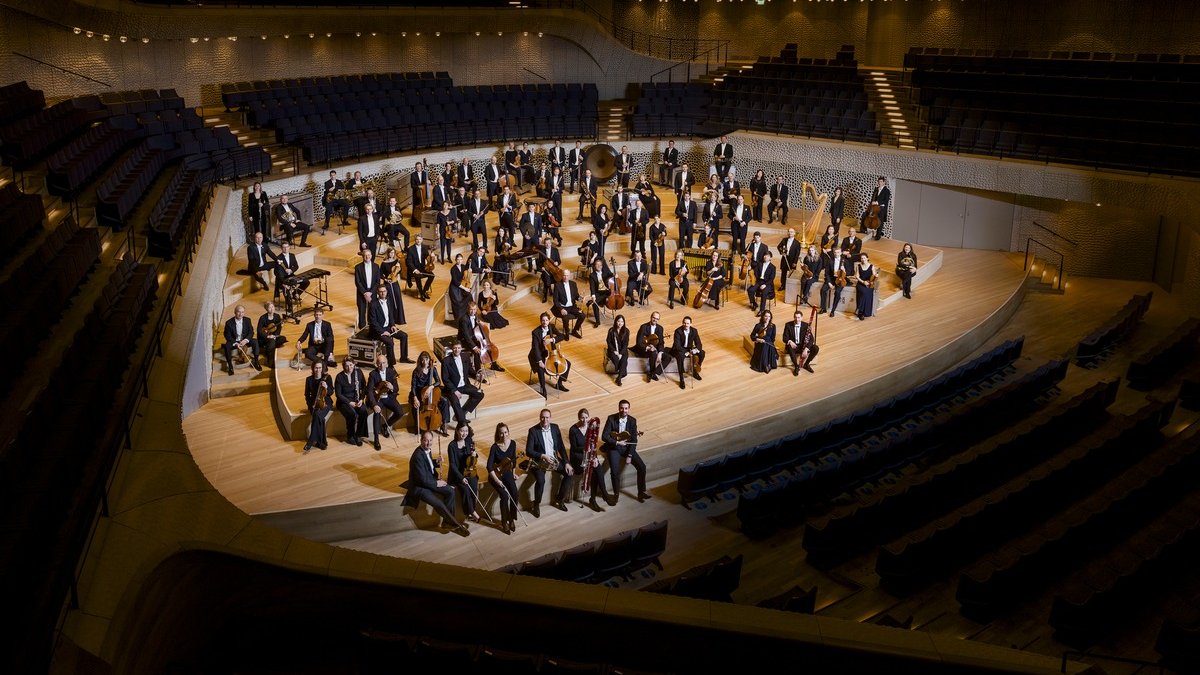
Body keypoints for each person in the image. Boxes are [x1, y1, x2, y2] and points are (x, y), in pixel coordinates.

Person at [402, 431, 470, 536]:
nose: (428, 443)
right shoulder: (417, 457)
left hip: (429, 480)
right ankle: (457, 525)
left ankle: (447, 523)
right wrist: (436, 484)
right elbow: (422, 479)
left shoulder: (426, 450)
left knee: (450, 491)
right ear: (421, 441)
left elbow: (427, 464)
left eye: (430, 440)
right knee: (439, 504)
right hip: (420, 487)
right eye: (425, 440)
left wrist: (436, 462)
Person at [601, 399, 649, 504]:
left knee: (642, 467)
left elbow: (634, 440)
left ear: (629, 409)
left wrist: (630, 455)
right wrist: (617, 443)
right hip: (614, 447)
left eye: (626, 408)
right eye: (622, 408)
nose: (624, 410)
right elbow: (604, 436)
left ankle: (641, 492)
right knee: (614, 471)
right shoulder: (611, 418)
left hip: (627, 448)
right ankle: (616, 495)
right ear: (619, 408)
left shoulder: (632, 420)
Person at [562, 408, 610, 511]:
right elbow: (574, 447)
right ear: (579, 418)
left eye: (586, 418)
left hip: (589, 455)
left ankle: (599, 496)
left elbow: (593, 445)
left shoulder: (591, 427)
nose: (584, 420)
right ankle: (598, 497)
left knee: (597, 468)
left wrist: (595, 458)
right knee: (594, 470)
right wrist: (585, 449)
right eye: (582, 418)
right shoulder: (573, 429)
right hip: (578, 457)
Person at [524, 408, 566, 517]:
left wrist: (567, 463)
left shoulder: (555, 428)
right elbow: (529, 451)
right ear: (539, 417)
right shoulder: (533, 431)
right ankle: (536, 504)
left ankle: (560, 499)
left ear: (550, 418)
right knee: (541, 481)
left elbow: (561, 447)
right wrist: (543, 456)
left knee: (569, 473)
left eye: (547, 417)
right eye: (543, 417)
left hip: (553, 460)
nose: (545, 419)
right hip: (539, 462)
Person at [487, 423, 520, 534]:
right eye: (501, 432)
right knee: (504, 496)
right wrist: (497, 480)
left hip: (507, 473)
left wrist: (514, 473)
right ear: (498, 434)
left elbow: (513, 461)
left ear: (508, 432)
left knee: (515, 494)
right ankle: (504, 522)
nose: (504, 435)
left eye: (505, 432)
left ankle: (511, 519)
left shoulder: (513, 444)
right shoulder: (495, 447)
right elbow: (489, 466)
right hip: (495, 475)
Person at [442, 341, 484, 426]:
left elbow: (470, 370)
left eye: (458, 348)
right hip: (453, 388)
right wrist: (454, 391)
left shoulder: (466, 356)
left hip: (464, 385)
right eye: (455, 348)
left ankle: (463, 412)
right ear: (452, 349)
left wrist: (477, 375)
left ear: (461, 348)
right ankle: (462, 422)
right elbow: (445, 379)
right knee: (455, 401)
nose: (456, 350)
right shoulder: (446, 361)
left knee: (480, 394)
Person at [530, 312, 571, 398]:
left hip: (551, 353)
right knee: (541, 368)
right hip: (539, 354)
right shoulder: (535, 332)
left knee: (568, 364)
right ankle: (543, 390)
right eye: (543, 320)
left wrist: (552, 340)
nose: (545, 322)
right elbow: (535, 348)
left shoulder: (551, 327)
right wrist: (540, 361)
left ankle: (559, 384)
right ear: (540, 321)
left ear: (549, 321)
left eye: (546, 320)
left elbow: (562, 336)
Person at [368, 285, 412, 367]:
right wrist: (382, 332)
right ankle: (391, 365)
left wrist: (393, 325)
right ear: (377, 293)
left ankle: (404, 357)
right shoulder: (373, 305)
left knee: (404, 336)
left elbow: (390, 315)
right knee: (390, 342)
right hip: (377, 331)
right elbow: (372, 322)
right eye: (381, 291)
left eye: (384, 291)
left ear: (386, 292)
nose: (383, 293)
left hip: (388, 327)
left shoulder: (388, 301)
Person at [447, 422, 482, 523]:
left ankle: (470, 513)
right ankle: (473, 513)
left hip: (468, 472)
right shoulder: (452, 446)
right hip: (457, 474)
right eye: (462, 431)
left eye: (466, 431)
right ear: (457, 431)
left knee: (474, 485)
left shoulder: (468, 442)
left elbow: (473, 458)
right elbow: (452, 465)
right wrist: (461, 477)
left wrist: (475, 454)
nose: (464, 433)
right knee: (465, 490)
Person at [366, 353, 403, 449]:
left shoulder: (391, 372)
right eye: (379, 363)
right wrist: (374, 405)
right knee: (377, 413)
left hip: (389, 397)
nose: (382, 365)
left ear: (386, 363)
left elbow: (397, 389)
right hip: (378, 399)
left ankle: (385, 426)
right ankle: (376, 439)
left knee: (400, 412)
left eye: (383, 363)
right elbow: (369, 391)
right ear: (376, 364)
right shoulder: (372, 374)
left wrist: (392, 387)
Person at [410, 350, 451, 437]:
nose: (425, 362)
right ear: (420, 361)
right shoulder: (416, 371)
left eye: (426, 359)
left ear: (429, 359)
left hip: (430, 393)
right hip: (418, 394)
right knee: (416, 406)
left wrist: (430, 387)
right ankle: (417, 425)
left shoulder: (433, 369)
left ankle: (445, 424)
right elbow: (413, 386)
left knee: (445, 401)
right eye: (422, 360)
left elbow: (438, 382)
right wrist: (415, 398)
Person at [458, 301, 505, 373]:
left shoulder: (475, 315)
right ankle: (478, 372)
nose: (472, 311)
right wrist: (474, 347)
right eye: (471, 309)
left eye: (474, 309)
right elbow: (466, 335)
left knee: (489, 347)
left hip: (474, 337)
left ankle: (493, 364)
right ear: (467, 309)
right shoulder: (463, 319)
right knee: (477, 351)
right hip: (465, 339)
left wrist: (485, 328)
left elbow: (478, 321)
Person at [335, 357, 369, 447]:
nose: (349, 368)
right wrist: (349, 402)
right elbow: (338, 394)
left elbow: (364, 387)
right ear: (343, 367)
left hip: (357, 399)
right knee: (351, 413)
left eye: (351, 365)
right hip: (344, 402)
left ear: (354, 365)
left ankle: (358, 435)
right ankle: (350, 435)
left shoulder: (358, 372)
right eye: (346, 366)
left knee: (364, 412)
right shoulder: (339, 377)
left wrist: (361, 399)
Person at [303, 360, 333, 453]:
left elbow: (331, 392)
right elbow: (307, 395)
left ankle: (311, 440)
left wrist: (327, 387)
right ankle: (322, 442)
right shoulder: (309, 379)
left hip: (325, 404)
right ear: (313, 368)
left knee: (318, 415)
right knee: (319, 417)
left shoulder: (327, 378)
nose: (318, 370)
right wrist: (310, 406)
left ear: (322, 368)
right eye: (316, 368)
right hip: (314, 405)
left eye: (320, 368)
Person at [222, 305, 261, 374]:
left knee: (255, 341)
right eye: (239, 312)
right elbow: (227, 335)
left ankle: (256, 362)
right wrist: (235, 343)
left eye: (242, 312)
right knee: (227, 346)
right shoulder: (229, 323)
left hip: (244, 340)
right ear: (235, 312)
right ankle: (230, 366)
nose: (241, 314)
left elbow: (251, 332)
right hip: (235, 341)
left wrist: (246, 340)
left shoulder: (247, 320)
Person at [670, 316, 704, 389]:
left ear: (691, 324)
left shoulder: (694, 331)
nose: (686, 325)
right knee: (680, 356)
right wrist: (687, 352)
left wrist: (696, 350)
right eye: (684, 323)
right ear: (682, 323)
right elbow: (677, 345)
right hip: (679, 350)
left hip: (689, 348)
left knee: (702, 353)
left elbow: (699, 343)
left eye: (688, 323)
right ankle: (681, 377)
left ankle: (695, 370)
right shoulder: (678, 331)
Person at [552, 269, 586, 339]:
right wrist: (561, 309)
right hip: (563, 307)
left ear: (569, 276)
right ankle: (567, 332)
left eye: (567, 275)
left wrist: (580, 298)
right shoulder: (557, 285)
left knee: (582, 315)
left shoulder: (573, 284)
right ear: (562, 275)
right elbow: (555, 300)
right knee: (565, 318)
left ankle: (574, 330)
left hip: (572, 306)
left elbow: (576, 297)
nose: (565, 277)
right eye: (564, 275)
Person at [783, 310, 818, 375]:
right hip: (794, 346)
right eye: (795, 317)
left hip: (803, 346)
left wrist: (806, 349)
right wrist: (790, 341)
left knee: (816, 348)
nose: (797, 319)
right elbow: (784, 338)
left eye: (799, 317)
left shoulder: (806, 325)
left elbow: (811, 339)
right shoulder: (788, 325)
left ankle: (806, 364)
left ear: (801, 318)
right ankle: (796, 366)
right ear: (793, 317)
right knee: (789, 346)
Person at [378, 246, 407, 327]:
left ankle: (400, 319)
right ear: (388, 253)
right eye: (391, 252)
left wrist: (398, 267)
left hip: (395, 283)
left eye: (393, 253)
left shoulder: (396, 261)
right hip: (388, 284)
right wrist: (385, 279)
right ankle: (391, 319)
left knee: (397, 298)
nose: (392, 254)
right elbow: (380, 274)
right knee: (390, 300)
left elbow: (399, 271)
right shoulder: (384, 263)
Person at [634, 311, 666, 381]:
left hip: (655, 348)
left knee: (667, 357)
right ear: (651, 317)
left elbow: (661, 343)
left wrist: (660, 353)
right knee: (653, 353)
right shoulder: (643, 327)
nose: (655, 320)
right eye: (654, 318)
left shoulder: (660, 328)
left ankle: (653, 373)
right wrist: (648, 348)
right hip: (644, 348)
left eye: (657, 319)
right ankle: (652, 373)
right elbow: (639, 342)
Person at [256, 301, 287, 368]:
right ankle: (270, 361)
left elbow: (278, 329)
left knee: (283, 338)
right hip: (265, 338)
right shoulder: (263, 318)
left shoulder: (277, 316)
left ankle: (268, 348)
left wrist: (275, 336)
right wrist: (268, 336)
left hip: (273, 337)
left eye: (272, 306)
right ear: (266, 309)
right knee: (272, 342)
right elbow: (259, 330)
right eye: (269, 307)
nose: (272, 309)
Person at [405, 234, 435, 302]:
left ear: (422, 240)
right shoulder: (410, 249)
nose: (418, 241)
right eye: (417, 239)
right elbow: (409, 262)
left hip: (422, 268)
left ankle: (424, 291)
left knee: (432, 275)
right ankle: (421, 293)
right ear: (415, 240)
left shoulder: (424, 248)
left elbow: (427, 258)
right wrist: (415, 270)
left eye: (420, 239)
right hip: (413, 269)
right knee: (418, 276)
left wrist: (431, 256)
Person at [821, 246, 848, 317]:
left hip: (841, 279)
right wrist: (829, 283)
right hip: (831, 279)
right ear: (833, 253)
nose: (836, 254)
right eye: (835, 252)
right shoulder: (830, 260)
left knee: (838, 292)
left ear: (841, 253)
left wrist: (844, 270)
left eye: (838, 252)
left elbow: (851, 272)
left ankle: (833, 310)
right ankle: (823, 308)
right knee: (823, 290)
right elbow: (826, 273)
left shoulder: (845, 261)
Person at [748, 251, 777, 316]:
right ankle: (753, 303)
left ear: (770, 258)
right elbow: (755, 271)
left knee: (764, 293)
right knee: (750, 290)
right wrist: (750, 269)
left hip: (767, 283)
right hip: (759, 281)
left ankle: (761, 310)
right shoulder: (760, 264)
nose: (765, 257)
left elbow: (771, 279)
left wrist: (765, 285)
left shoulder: (773, 267)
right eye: (764, 255)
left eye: (767, 256)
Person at [537, 235, 562, 304]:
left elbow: (559, 261)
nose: (547, 245)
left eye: (549, 243)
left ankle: (556, 296)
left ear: (551, 243)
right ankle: (545, 295)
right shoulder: (541, 252)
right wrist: (541, 267)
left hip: (554, 270)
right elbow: (539, 263)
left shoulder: (555, 250)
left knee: (559, 280)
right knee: (547, 280)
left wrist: (557, 263)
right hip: (546, 270)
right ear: (544, 244)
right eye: (546, 243)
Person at [607, 314, 630, 387]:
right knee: (614, 357)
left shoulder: (626, 331)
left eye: (622, 322)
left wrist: (621, 353)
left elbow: (626, 344)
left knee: (624, 359)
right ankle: (622, 373)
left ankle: (619, 377)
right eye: (619, 321)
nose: (620, 323)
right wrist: (615, 351)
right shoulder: (611, 330)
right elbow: (609, 342)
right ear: (616, 322)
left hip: (622, 350)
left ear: (624, 323)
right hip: (613, 350)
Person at [448, 253, 471, 320]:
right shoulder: (453, 269)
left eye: (461, 259)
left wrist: (470, 270)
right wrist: (465, 289)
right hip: (455, 287)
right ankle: (459, 319)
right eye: (458, 259)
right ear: (455, 260)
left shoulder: (463, 266)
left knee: (469, 296)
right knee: (458, 303)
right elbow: (455, 282)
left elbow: (468, 272)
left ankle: (467, 315)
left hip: (462, 285)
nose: (459, 261)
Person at [855, 252, 877, 320]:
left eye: (864, 258)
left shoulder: (872, 266)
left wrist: (875, 276)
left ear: (867, 258)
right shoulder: (858, 266)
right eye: (861, 258)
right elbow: (857, 276)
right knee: (864, 292)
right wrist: (863, 282)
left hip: (869, 284)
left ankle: (861, 310)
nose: (863, 259)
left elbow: (874, 277)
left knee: (866, 292)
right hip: (861, 283)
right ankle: (861, 312)